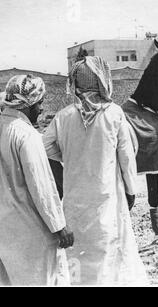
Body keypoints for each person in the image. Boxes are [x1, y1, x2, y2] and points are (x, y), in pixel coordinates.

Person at [43, 56, 148, 285]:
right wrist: (131, 190)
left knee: (78, 254)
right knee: (108, 249)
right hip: (107, 196)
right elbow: (127, 158)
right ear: (102, 79)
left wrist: (71, 157)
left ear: (76, 83)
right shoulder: (114, 114)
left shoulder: (63, 116)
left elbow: (46, 148)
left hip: (74, 200)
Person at [0, 75, 74, 285]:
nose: (42, 109)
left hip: (4, 233)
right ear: (27, 103)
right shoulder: (26, 134)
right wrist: (59, 226)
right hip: (31, 232)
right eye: (40, 102)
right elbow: (41, 186)